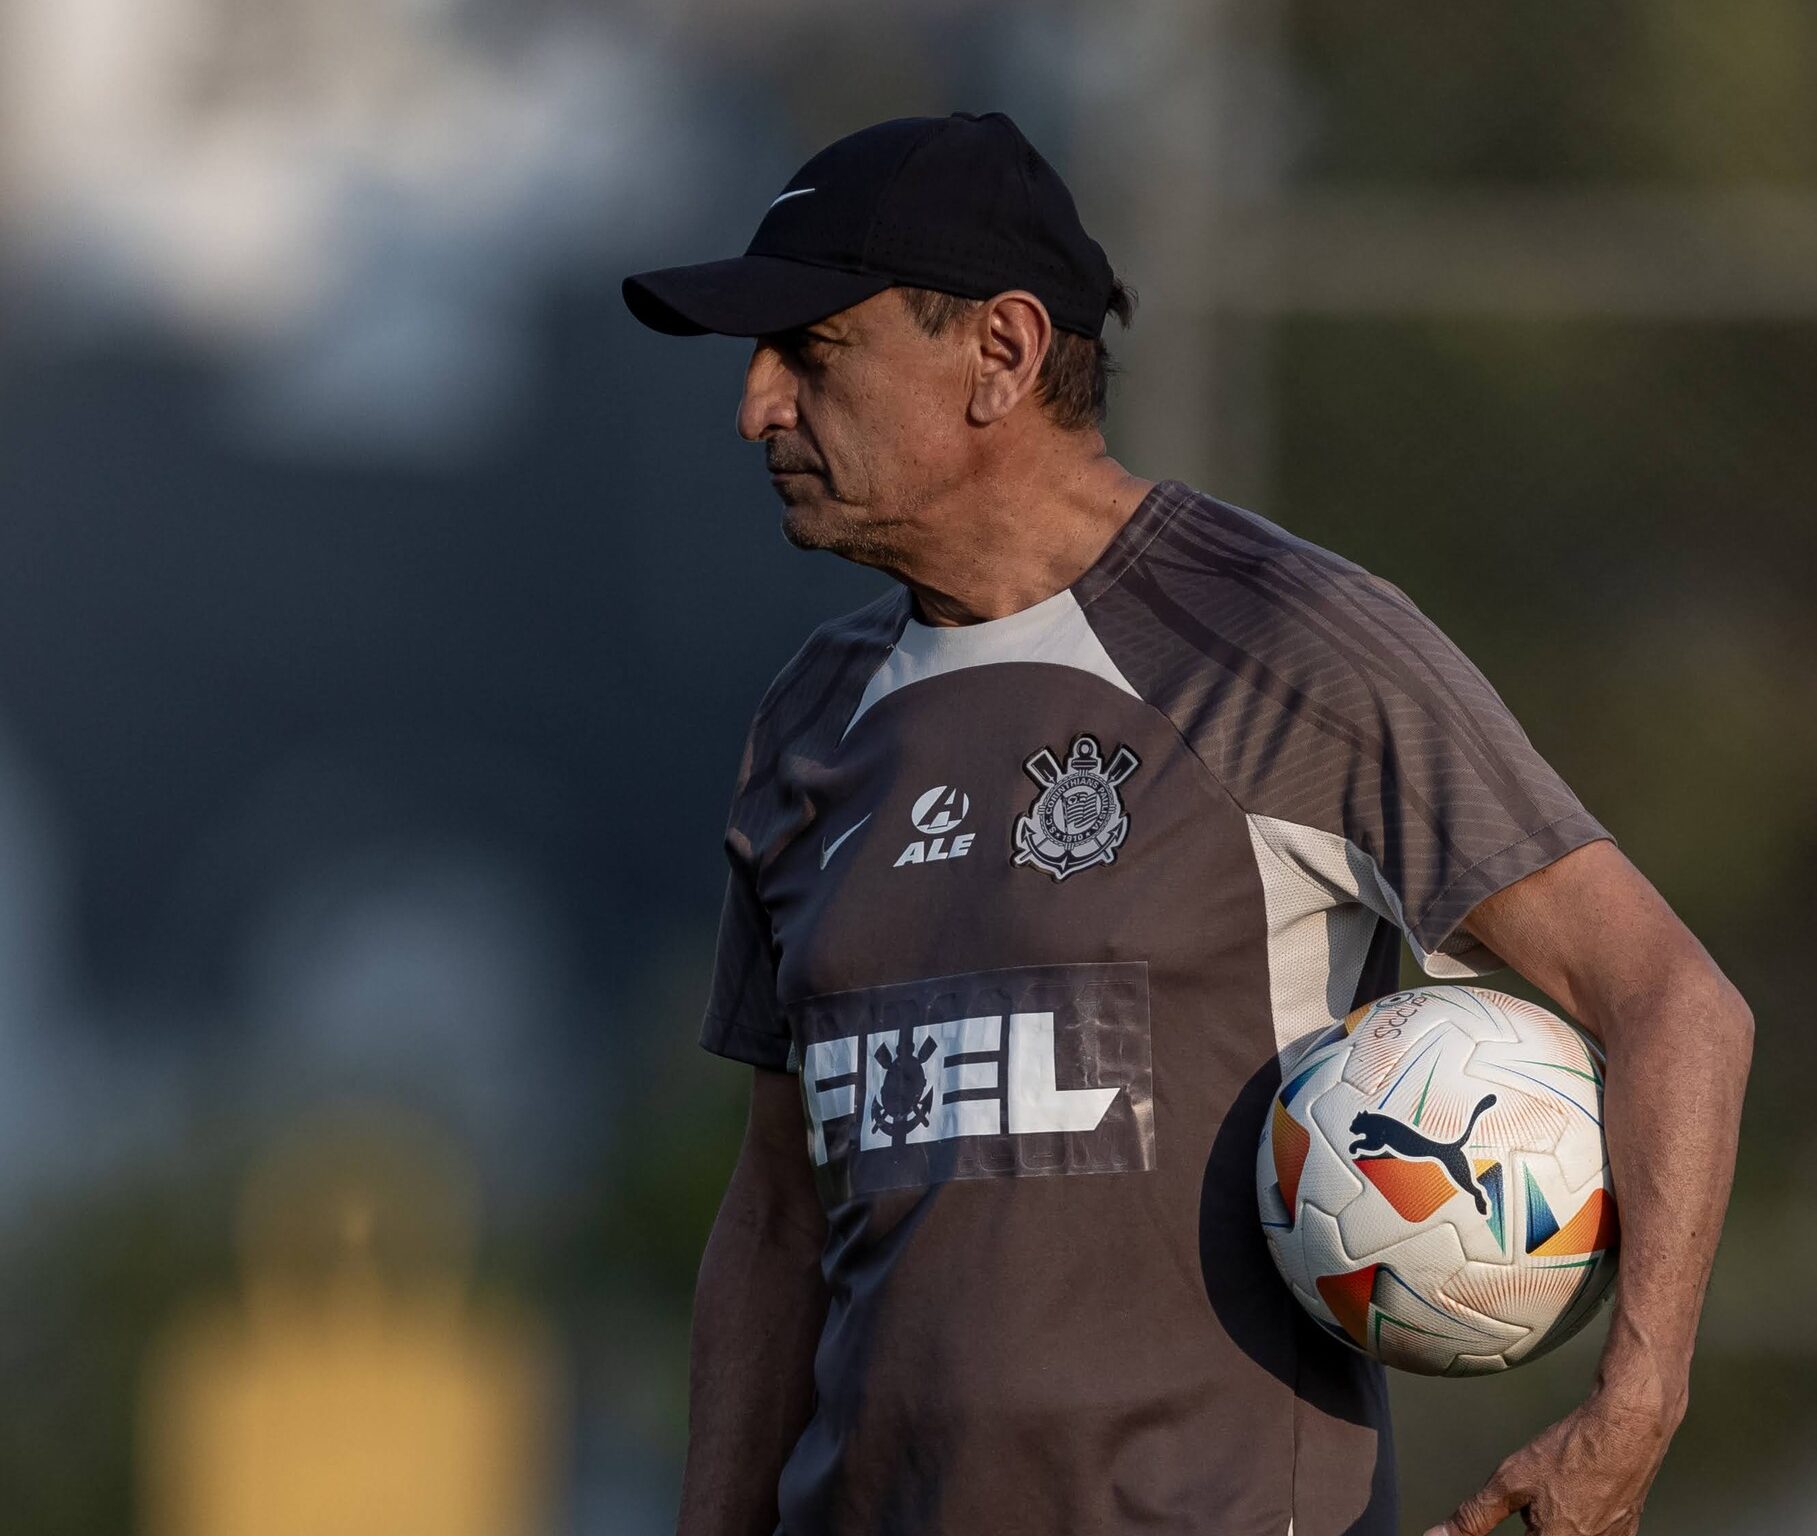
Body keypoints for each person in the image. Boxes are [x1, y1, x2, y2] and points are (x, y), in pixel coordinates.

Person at [622, 111, 1752, 1536]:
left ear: (1002, 352)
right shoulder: (809, 721)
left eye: (811, 351)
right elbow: (778, 1214)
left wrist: (1632, 1409)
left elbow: (1675, 1003)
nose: (757, 406)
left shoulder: (1287, 641)